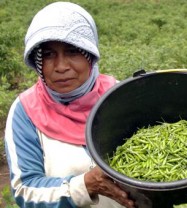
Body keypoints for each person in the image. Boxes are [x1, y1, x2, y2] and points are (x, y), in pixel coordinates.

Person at [4, 2, 135, 208]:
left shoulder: (119, 97)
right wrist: (85, 185)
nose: (61, 67)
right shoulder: (26, 112)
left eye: (73, 52)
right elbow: (24, 190)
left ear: (90, 56)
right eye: (48, 55)